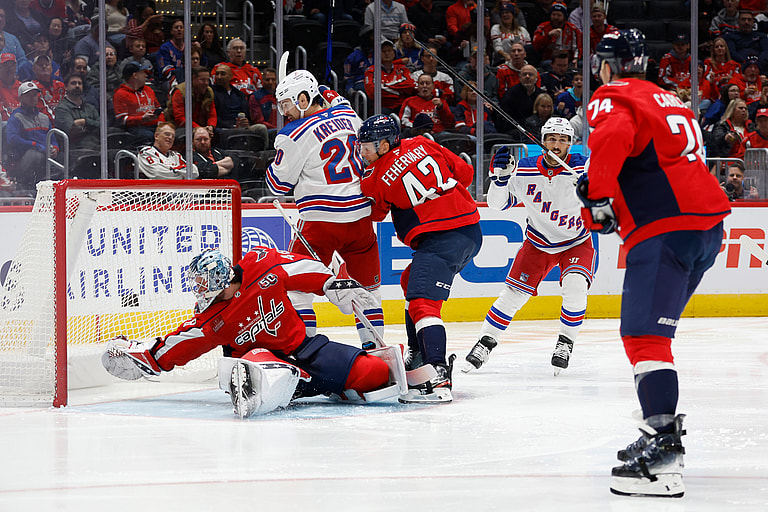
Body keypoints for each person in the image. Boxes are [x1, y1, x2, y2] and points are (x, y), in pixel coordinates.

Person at [583, 28, 731, 497]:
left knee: (645, 337)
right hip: (707, 227)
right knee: (655, 335)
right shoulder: (670, 99)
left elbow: (612, 141)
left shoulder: (612, 97)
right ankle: (657, 430)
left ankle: (663, 455)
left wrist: (599, 197)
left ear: (609, 65)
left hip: (665, 228)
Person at [101, 247, 399, 418]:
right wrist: (146, 358)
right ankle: (252, 387)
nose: (202, 293)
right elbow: (178, 345)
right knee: (257, 359)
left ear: (221, 280)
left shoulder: (262, 264)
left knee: (376, 372)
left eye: (206, 286)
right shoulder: (211, 320)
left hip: (306, 351)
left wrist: (330, 284)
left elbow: (300, 268)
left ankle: (331, 386)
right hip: (266, 369)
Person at [357, 114, 482, 403]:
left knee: (423, 303)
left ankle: (437, 374)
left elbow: (376, 213)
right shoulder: (423, 142)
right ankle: (417, 354)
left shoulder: (375, 176)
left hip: (441, 238)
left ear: (385, 145)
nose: (362, 152)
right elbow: (465, 174)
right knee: (410, 280)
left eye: (367, 146)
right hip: (471, 231)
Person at [463, 117, 592, 374]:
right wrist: (498, 181)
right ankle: (485, 342)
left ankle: (565, 342)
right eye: (552, 139)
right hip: (539, 241)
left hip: (576, 241)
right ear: (543, 141)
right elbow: (498, 204)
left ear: (571, 144)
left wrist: (595, 185)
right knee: (512, 296)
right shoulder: (524, 169)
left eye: (563, 140)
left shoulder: (583, 166)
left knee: (575, 287)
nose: (557, 144)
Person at [265, 70, 384, 349]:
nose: (285, 113)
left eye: (287, 104)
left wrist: (275, 163)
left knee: (296, 288)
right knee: (369, 291)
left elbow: (278, 185)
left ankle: (307, 351)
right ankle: (377, 351)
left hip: (320, 224)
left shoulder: (291, 134)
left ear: (304, 99)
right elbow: (335, 98)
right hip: (360, 222)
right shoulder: (351, 115)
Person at [5, 81, 61, 189]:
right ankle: (29, 188)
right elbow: (12, 139)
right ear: (21, 98)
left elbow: (52, 137)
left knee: (69, 158)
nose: (32, 98)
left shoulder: (44, 117)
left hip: (46, 154)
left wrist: (55, 148)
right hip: (24, 157)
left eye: (34, 95)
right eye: (28, 95)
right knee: (35, 156)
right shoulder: (16, 117)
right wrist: (34, 144)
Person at [211, 63, 269, 148]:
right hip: (224, 128)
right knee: (234, 133)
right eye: (217, 74)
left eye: (223, 74)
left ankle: (263, 156)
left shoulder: (239, 94)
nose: (219, 77)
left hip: (241, 126)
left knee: (261, 128)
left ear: (231, 76)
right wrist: (232, 125)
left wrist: (246, 122)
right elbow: (214, 117)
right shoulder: (212, 93)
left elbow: (247, 114)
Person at [113, 60, 163, 143]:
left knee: (168, 132)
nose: (146, 75)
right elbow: (122, 120)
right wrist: (141, 118)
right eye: (143, 72)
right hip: (136, 128)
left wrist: (161, 121)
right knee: (151, 136)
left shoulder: (148, 90)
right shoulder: (120, 94)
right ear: (135, 75)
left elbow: (159, 109)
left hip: (154, 125)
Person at [364, 39, 415, 115]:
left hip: (401, 106)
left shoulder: (402, 69)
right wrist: (398, 92)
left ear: (394, 54)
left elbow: (410, 86)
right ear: (378, 54)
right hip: (381, 107)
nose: (387, 53)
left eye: (389, 51)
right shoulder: (371, 71)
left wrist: (385, 86)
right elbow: (372, 93)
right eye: (384, 51)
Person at [53, 72, 99, 151]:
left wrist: (85, 122)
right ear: (66, 87)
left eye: (79, 83)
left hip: (95, 143)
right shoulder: (61, 108)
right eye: (73, 83)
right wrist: (92, 126)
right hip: (75, 149)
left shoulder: (90, 107)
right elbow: (72, 131)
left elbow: (102, 126)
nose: (77, 86)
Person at [164, 66, 217, 134]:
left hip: (203, 127)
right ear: (193, 78)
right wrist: (199, 129)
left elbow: (212, 114)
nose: (206, 83)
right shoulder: (180, 92)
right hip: (180, 128)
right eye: (203, 80)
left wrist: (211, 126)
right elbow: (180, 119)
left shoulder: (209, 91)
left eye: (207, 80)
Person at [498, 64, 544, 135]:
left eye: (530, 74)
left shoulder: (541, 94)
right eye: (524, 74)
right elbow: (505, 118)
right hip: (516, 130)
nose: (527, 77)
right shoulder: (510, 94)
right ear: (519, 77)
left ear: (536, 78)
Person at [532, 1, 582, 66]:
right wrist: (548, 36)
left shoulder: (573, 29)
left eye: (559, 15)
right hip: (549, 61)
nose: (555, 17)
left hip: (568, 61)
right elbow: (535, 46)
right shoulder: (542, 27)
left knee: (581, 64)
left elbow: (579, 47)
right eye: (553, 14)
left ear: (564, 16)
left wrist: (576, 58)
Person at [157, 18, 185, 87]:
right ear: (171, 31)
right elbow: (165, 69)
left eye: (181, 27)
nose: (179, 29)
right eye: (176, 27)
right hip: (169, 80)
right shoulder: (165, 48)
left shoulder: (190, 47)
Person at [0, 53, 21, 121]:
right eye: (5, 65)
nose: (9, 68)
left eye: (11, 65)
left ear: (15, 67)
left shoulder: (21, 86)